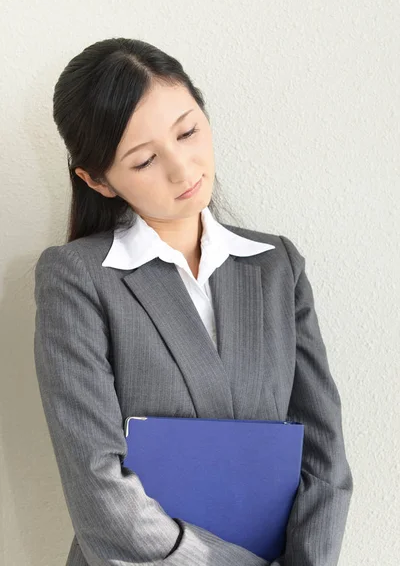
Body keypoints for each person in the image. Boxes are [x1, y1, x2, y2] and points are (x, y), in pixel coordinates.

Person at [34, 37, 353, 566]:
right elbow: (96, 483)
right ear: (96, 180)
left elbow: (324, 456)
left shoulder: (277, 266)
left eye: (188, 131)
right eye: (143, 161)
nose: (183, 170)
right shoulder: (78, 278)